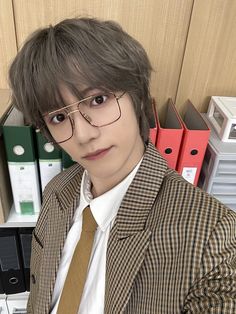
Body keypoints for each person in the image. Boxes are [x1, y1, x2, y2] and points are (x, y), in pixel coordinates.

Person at [8, 17, 236, 314]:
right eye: (59, 118)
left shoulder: (211, 232)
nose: (83, 134)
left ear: (138, 97)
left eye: (97, 99)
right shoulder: (56, 191)